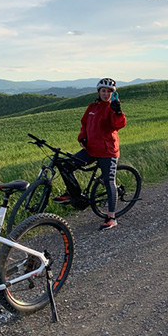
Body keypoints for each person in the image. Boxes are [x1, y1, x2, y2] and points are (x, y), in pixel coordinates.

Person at [54, 77, 126, 230]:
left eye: (109, 91)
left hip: (108, 152)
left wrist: (118, 111)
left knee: (109, 182)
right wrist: (82, 137)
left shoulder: (113, 107)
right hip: (91, 149)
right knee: (67, 165)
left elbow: (118, 124)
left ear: (113, 93)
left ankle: (111, 217)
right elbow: (84, 123)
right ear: (98, 91)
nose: (106, 94)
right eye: (103, 91)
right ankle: (72, 194)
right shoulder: (92, 107)